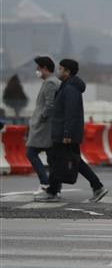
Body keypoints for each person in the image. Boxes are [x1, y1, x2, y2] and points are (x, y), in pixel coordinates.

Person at [36, 59, 108, 202]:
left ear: (67, 72)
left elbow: (71, 113)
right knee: (63, 161)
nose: (58, 71)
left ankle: (95, 187)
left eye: (61, 69)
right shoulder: (67, 86)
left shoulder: (70, 89)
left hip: (65, 134)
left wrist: (67, 134)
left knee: (66, 161)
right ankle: (54, 191)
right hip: (63, 132)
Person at [26, 56, 59, 194]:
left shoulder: (50, 83)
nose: (37, 71)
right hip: (46, 128)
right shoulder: (50, 82)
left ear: (45, 68)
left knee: (31, 152)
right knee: (52, 158)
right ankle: (54, 187)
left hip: (44, 128)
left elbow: (49, 105)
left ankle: (45, 182)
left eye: (38, 68)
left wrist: (40, 119)